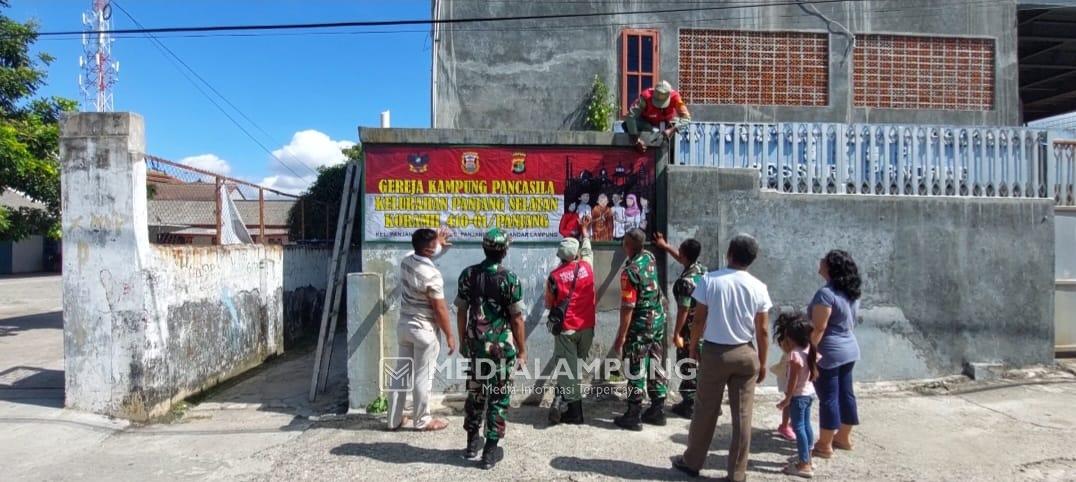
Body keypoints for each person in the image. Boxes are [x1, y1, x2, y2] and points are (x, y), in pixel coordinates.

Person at [673, 234, 772, 482]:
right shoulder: (759, 287)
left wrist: (693, 347)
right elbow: (762, 330)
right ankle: (736, 473)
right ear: (753, 259)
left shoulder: (710, 280)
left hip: (715, 353)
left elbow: (699, 319)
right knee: (743, 416)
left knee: (705, 410)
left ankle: (692, 461)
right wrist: (763, 361)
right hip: (745, 353)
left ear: (729, 253)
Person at [455, 228, 528, 470]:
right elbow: (517, 319)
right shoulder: (510, 279)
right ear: (505, 251)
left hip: (476, 347)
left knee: (476, 393)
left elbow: (462, 310)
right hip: (500, 350)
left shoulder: (468, 275)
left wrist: (463, 340)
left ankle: (471, 444)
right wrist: (522, 350)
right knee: (498, 396)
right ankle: (489, 452)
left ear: (483, 248)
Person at [388, 228, 457, 432]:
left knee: (400, 374)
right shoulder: (432, 275)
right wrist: (450, 335)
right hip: (424, 330)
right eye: (435, 243)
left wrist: (437, 244)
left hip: (404, 327)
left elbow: (422, 253)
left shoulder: (406, 261)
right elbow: (440, 309)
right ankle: (422, 420)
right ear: (429, 249)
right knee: (423, 377)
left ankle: (393, 420)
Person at [613, 228, 668, 430]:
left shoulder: (630, 272)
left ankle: (633, 414)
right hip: (657, 320)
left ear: (628, 245)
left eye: (624, 242)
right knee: (655, 362)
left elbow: (628, 308)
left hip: (641, 326)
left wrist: (621, 337)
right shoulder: (649, 257)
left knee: (635, 367)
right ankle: (657, 409)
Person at [809, 250, 862, 460]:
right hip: (849, 348)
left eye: (824, 260)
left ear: (831, 267)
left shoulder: (826, 294)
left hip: (829, 351)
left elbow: (819, 327)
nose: (820, 262)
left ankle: (825, 444)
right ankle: (844, 437)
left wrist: (808, 352)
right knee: (846, 394)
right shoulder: (851, 292)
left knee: (828, 397)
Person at [545, 216, 596, 425]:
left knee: (568, 370)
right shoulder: (587, 267)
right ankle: (563, 397)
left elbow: (549, 304)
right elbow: (588, 251)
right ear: (576, 254)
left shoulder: (554, 276)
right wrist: (585, 231)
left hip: (567, 330)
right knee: (574, 369)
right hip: (588, 328)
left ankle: (575, 413)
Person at [653, 233, 706, 419]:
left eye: (680, 251)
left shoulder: (686, 283)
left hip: (690, 329)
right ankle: (706, 401)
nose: (678, 254)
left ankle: (690, 404)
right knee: (702, 365)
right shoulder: (701, 270)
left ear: (684, 255)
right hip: (705, 328)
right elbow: (682, 259)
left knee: (688, 364)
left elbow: (684, 309)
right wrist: (665, 246)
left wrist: (676, 334)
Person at [774, 312, 819, 478]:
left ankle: (803, 464)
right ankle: (808, 458)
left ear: (792, 338)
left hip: (798, 396)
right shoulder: (809, 349)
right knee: (806, 426)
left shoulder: (795, 355)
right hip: (809, 393)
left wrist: (787, 399)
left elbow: (792, 380)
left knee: (799, 428)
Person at [624, 80, 692, 153]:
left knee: (676, 124)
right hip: (646, 125)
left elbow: (687, 118)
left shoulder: (675, 97)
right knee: (628, 125)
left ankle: (670, 153)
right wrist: (636, 140)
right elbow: (630, 116)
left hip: (666, 125)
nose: (660, 107)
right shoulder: (645, 97)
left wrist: (672, 129)